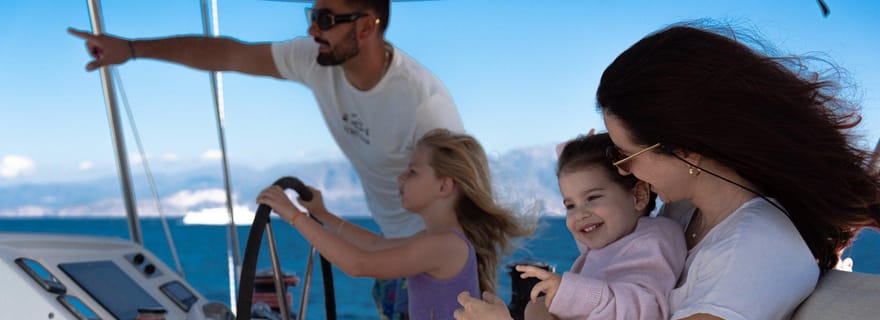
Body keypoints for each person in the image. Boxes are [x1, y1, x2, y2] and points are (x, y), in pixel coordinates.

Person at [456, 22, 880, 320]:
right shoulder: (683, 214)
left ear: (688, 151)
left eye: (625, 154)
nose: (622, 171)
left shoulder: (754, 250)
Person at [69, 0, 464, 318]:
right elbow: (229, 54)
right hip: (387, 248)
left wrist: (294, 216)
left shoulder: (423, 106)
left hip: (429, 261)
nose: (312, 30)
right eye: (311, 16)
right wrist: (134, 49)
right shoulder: (314, 59)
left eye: (325, 19)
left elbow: (459, 200)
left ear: (367, 26)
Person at [257, 128, 532, 319]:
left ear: (444, 186)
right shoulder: (440, 240)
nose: (401, 178)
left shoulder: (446, 245)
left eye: (412, 172)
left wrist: (293, 215)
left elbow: (359, 264)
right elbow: (377, 245)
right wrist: (324, 215)